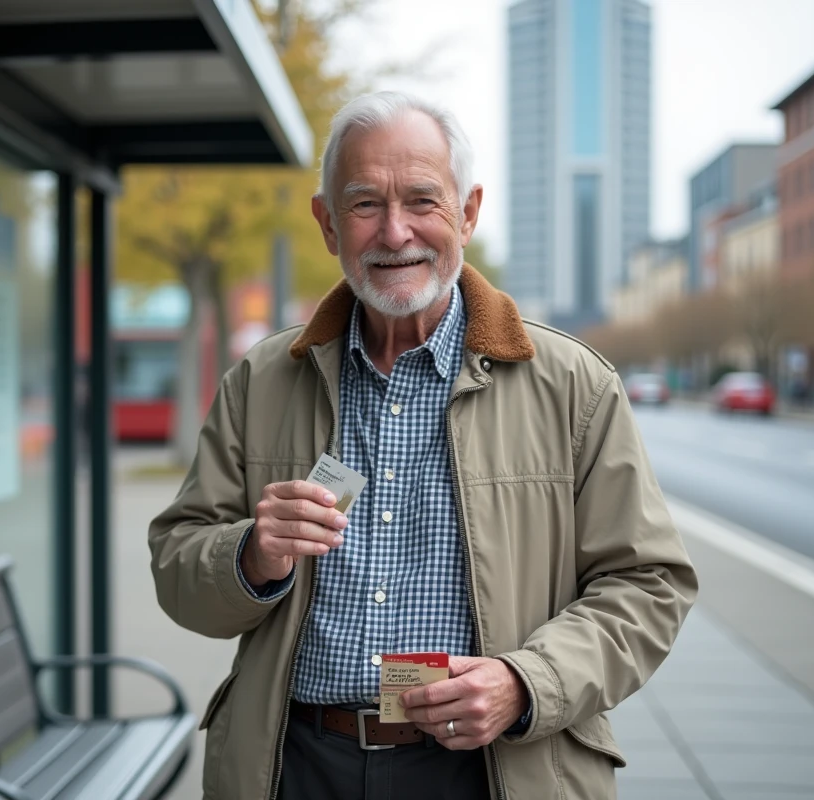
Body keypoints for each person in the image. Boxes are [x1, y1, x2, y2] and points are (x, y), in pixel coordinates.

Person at [149, 91, 698, 800]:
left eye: (422, 200)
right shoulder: (261, 381)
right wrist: (252, 555)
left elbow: (650, 584)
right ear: (327, 223)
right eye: (365, 204)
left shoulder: (574, 386)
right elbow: (177, 566)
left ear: (467, 213)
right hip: (294, 767)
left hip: (494, 769)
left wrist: (526, 682)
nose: (395, 232)